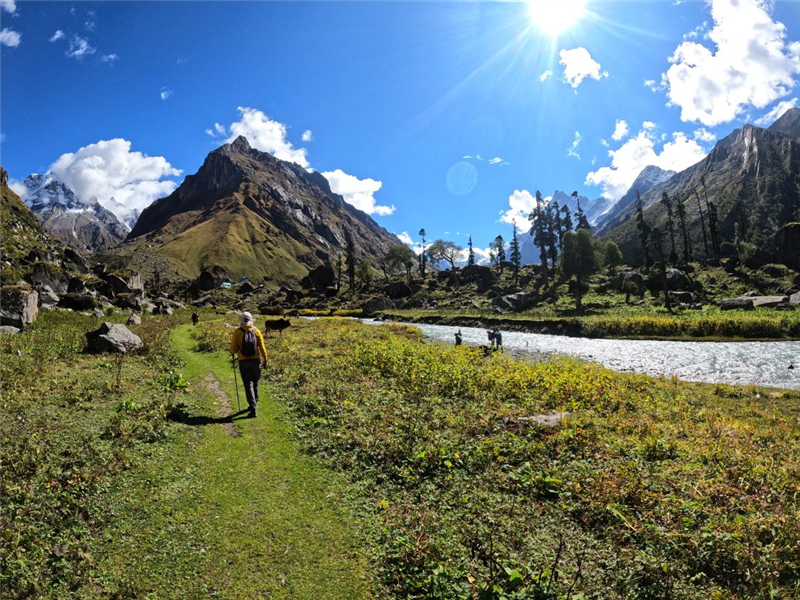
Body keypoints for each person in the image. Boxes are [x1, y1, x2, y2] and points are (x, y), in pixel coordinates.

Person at [230, 311, 268, 418]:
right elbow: (262, 347)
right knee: (255, 382)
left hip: (243, 361)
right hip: (256, 361)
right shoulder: (256, 331)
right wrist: (265, 359)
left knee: (248, 384)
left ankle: (253, 407)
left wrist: (233, 352)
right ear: (251, 320)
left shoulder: (237, 332)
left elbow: (233, 349)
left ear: (241, 321)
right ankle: (254, 403)